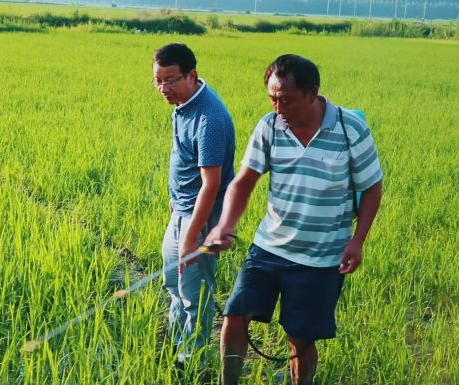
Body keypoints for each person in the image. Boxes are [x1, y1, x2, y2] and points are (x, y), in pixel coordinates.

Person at [205, 54, 383, 385]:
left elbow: (372, 187)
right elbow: (244, 181)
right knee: (235, 316)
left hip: (321, 257)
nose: (278, 107)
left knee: (300, 337)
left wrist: (358, 240)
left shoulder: (349, 129)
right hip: (269, 245)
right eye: (272, 98)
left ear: (312, 93)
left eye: (286, 100)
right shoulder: (270, 126)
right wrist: (225, 224)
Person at [152, 43, 236, 369]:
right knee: (173, 283)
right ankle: (176, 348)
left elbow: (211, 183)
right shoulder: (184, 103)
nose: (163, 88)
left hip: (198, 219)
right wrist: (175, 204)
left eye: (170, 80)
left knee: (195, 295)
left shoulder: (209, 118)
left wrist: (191, 237)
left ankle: (193, 364)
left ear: (192, 75)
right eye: (158, 80)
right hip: (182, 211)